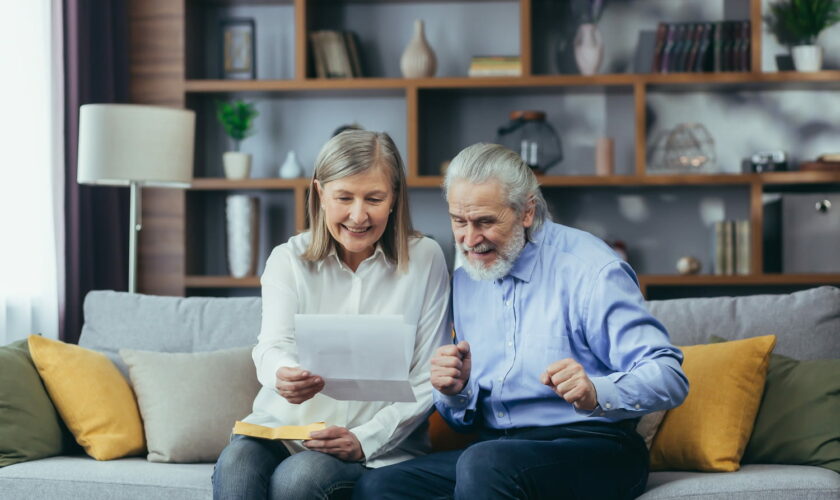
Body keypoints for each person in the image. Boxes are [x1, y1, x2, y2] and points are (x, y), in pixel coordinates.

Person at [354, 143, 689, 500]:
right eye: (459, 221)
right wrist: (455, 391)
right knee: (380, 486)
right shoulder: (468, 278)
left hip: (596, 447)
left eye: (485, 221)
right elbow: (462, 420)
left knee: (484, 464)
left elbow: (669, 375)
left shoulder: (590, 268)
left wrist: (596, 391)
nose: (469, 239)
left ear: (527, 211)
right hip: (497, 450)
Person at [213, 130, 450, 499]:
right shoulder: (287, 259)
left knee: (298, 479)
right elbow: (271, 347)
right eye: (344, 197)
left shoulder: (425, 259)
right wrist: (283, 374)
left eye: (374, 198)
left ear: (395, 199)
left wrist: (364, 439)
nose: (359, 215)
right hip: (283, 429)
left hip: (374, 444)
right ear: (320, 194)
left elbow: (427, 377)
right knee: (236, 464)